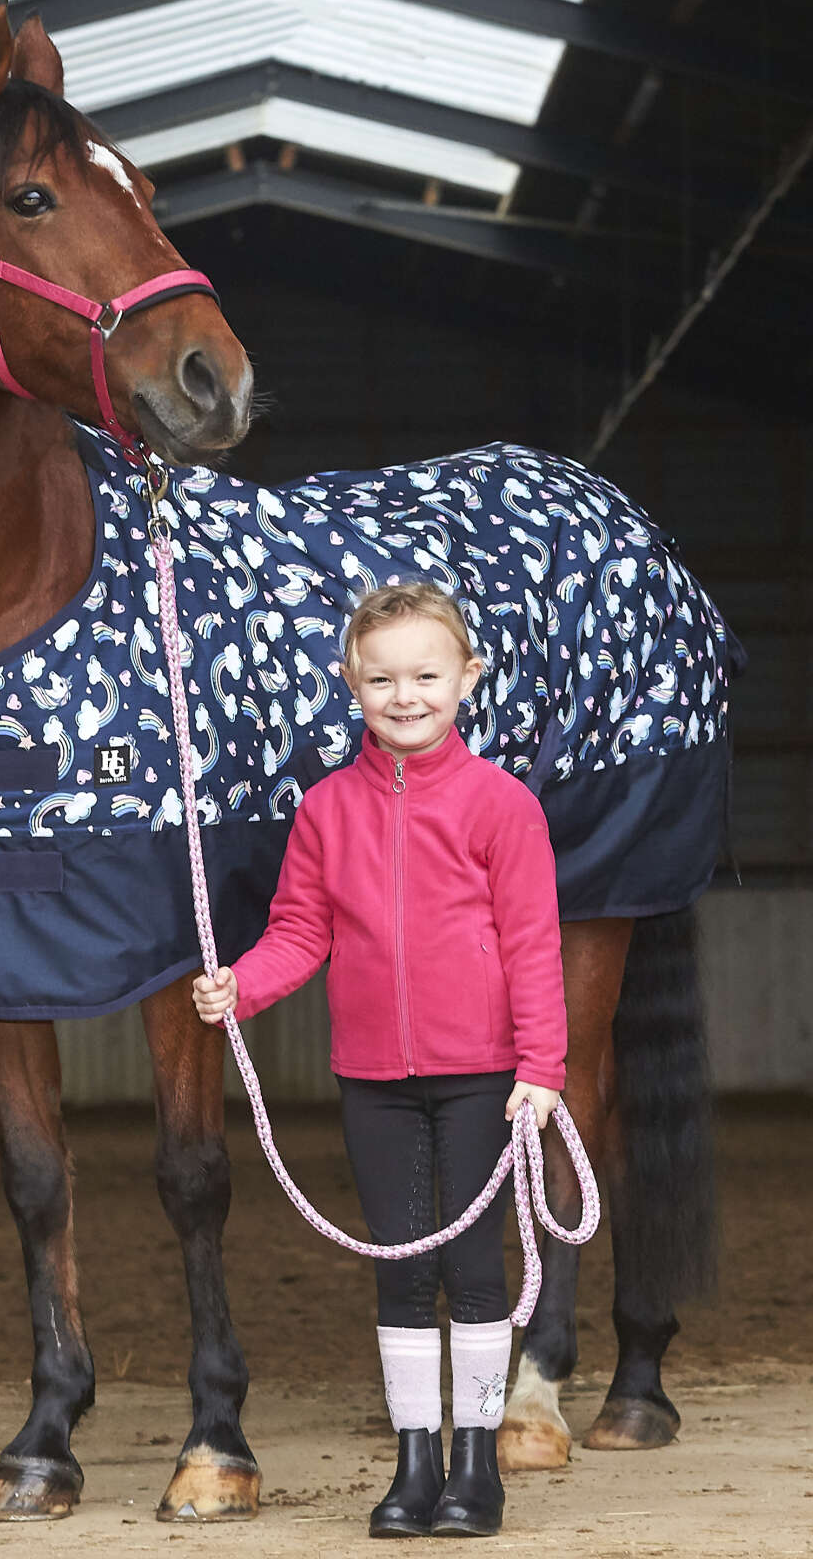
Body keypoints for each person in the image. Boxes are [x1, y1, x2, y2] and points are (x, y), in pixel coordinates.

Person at [193, 580, 567, 1540]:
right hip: (373, 1078)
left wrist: (543, 1066)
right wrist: (243, 984)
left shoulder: (502, 806)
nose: (406, 696)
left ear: (466, 679)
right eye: (383, 679)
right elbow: (298, 931)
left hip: (485, 1071)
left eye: (426, 676)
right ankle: (415, 1464)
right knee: (401, 1268)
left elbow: (531, 943)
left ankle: (476, 1465)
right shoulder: (325, 810)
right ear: (352, 684)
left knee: (473, 1266)